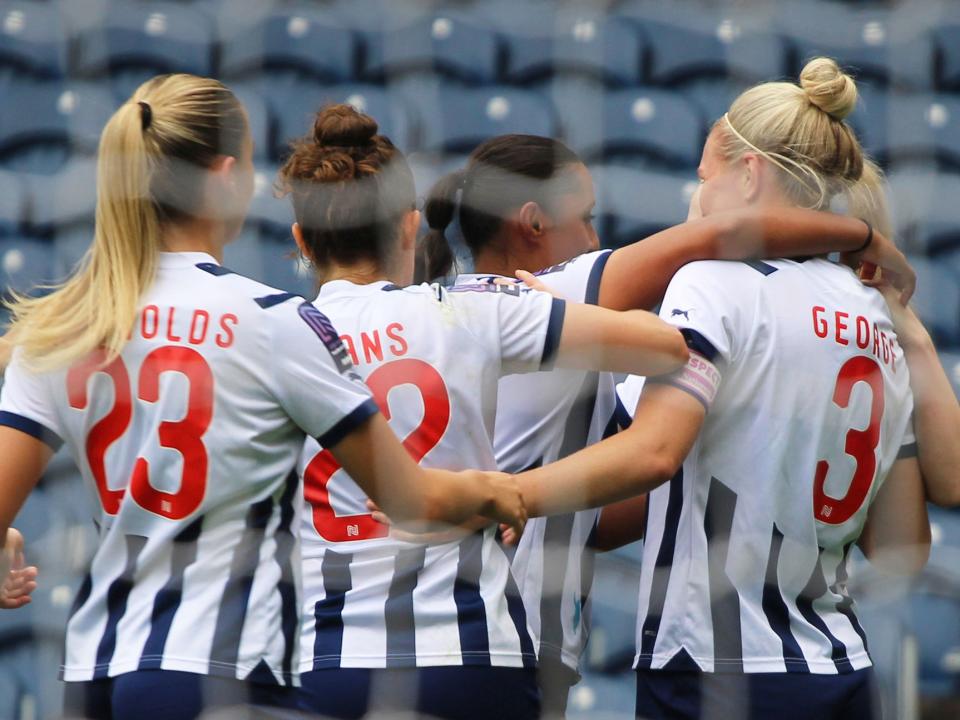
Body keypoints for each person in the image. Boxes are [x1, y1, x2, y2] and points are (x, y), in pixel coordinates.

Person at [0, 74, 526, 720]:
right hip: (220, 672)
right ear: (224, 178)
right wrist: (503, 492)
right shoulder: (271, 321)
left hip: (93, 675)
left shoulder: (62, 325)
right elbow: (410, 499)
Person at [419, 132, 917, 717]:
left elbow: (602, 517)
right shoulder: (551, 294)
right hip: (503, 630)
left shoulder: (430, 305)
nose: (594, 238)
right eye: (585, 218)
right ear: (532, 223)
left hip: (421, 616)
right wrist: (864, 236)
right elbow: (716, 238)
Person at [274, 103, 691, 720]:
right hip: (471, 655)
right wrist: (547, 304)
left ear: (302, 239)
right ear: (409, 227)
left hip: (324, 659)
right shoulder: (474, 307)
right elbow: (667, 347)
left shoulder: (269, 336)